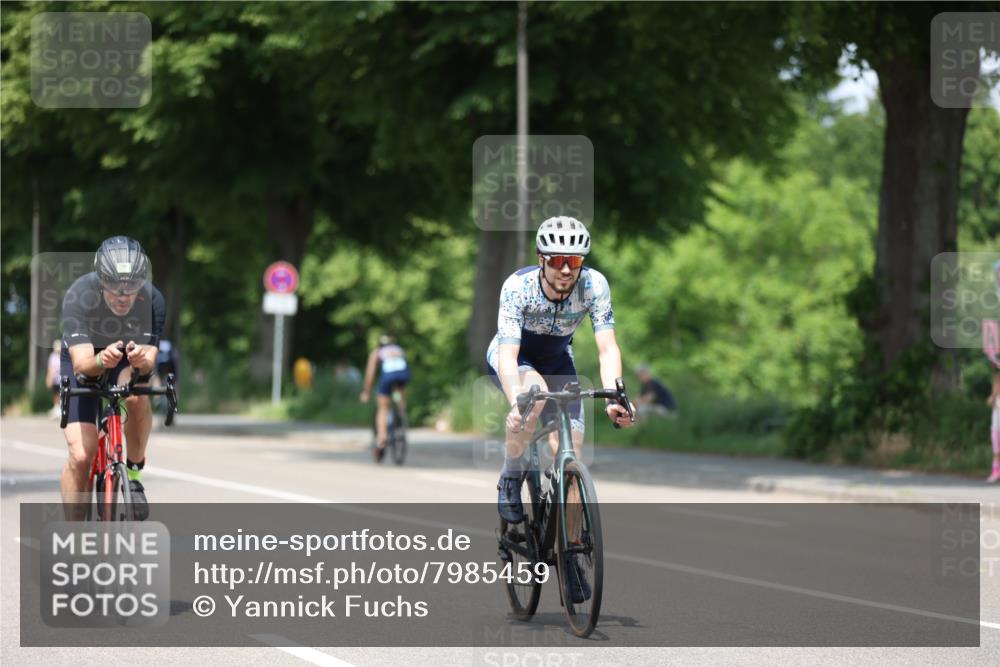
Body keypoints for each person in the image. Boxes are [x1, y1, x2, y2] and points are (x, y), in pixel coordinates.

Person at [486, 216, 635, 603]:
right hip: (514, 358)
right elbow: (508, 355)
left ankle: (570, 556)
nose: (566, 269)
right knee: (532, 396)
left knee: (571, 458)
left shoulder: (594, 286)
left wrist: (616, 397)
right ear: (541, 259)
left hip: (558, 362)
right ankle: (510, 477)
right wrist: (515, 401)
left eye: (574, 260)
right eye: (557, 260)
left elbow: (607, 348)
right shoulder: (517, 287)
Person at [59, 236, 165, 520]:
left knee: (138, 397)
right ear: (100, 279)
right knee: (82, 456)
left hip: (125, 358)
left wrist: (142, 360)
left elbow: (150, 360)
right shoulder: (79, 295)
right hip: (85, 358)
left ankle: (134, 474)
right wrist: (100, 360)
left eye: (131, 285)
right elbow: (82, 365)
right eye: (114, 285)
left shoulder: (153, 300)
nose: (123, 294)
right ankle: (73, 532)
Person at [359, 335, 411, 461]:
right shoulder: (399, 350)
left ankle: (382, 439)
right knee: (398, 392)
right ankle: (401, 413)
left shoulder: (377, 352)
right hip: (403, 376)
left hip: (388, 377)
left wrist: (366, 392)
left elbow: (370, 374)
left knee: (383, 407)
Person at [988, 364, 1000, 484]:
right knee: (996, 452)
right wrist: (994, 395)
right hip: (996, 428)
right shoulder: (995, 398)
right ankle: (995, 472)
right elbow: (989, 402)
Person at [45, 339, 62, 417]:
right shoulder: (52, 356)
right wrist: (49, 378)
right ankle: (56, 408)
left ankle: (60, 408)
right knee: (55, 394)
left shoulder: (63, 356)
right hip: (55, 379)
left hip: (61, 379)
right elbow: (50, 368)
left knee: (61, 393)